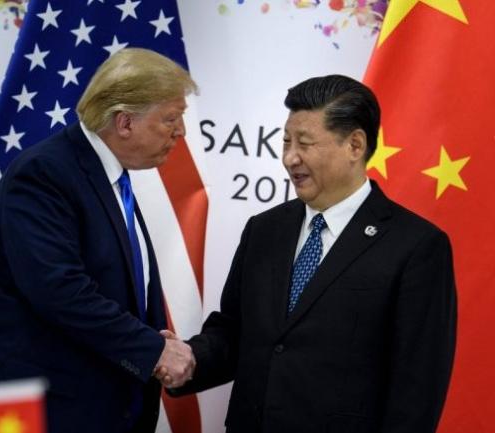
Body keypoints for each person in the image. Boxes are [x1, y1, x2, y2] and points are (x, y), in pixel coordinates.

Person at [164, 75, 457, 433]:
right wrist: (189, 359)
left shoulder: (415, 247)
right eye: (286, 141)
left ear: (354, 145)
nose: (290, 157)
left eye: (305, 143)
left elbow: (416, 390)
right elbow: (234, 333)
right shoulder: (264, 230)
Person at [0, 48, 197, 433]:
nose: (181, 133)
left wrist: (153, 342)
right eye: (171, 119)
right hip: (22, 415)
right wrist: (152, 350)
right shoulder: (45, 174)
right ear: (125, 122)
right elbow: (58, 290)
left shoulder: (108, 180)